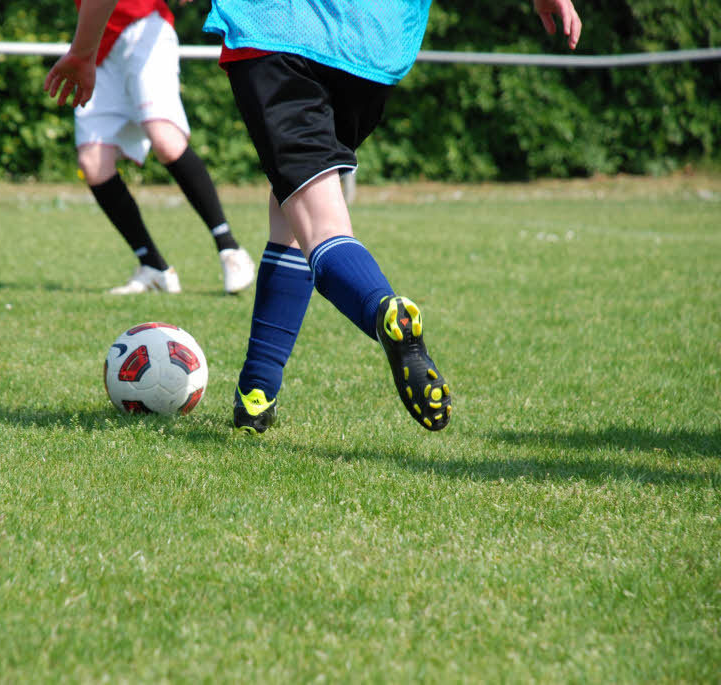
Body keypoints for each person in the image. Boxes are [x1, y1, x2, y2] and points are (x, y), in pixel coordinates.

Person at [198, 0, 582, 433]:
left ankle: (384, 310)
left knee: (319, 222)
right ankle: (256, 392)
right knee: (296, 200)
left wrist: (99, 52)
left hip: (279, 28)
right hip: (369, 46)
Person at [45, 0, 255, 296]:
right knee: (93, 163)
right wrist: (83, 51)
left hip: (142, 27)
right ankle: (153, 267)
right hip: (95, 40)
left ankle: (229, 248)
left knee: (166, 140)